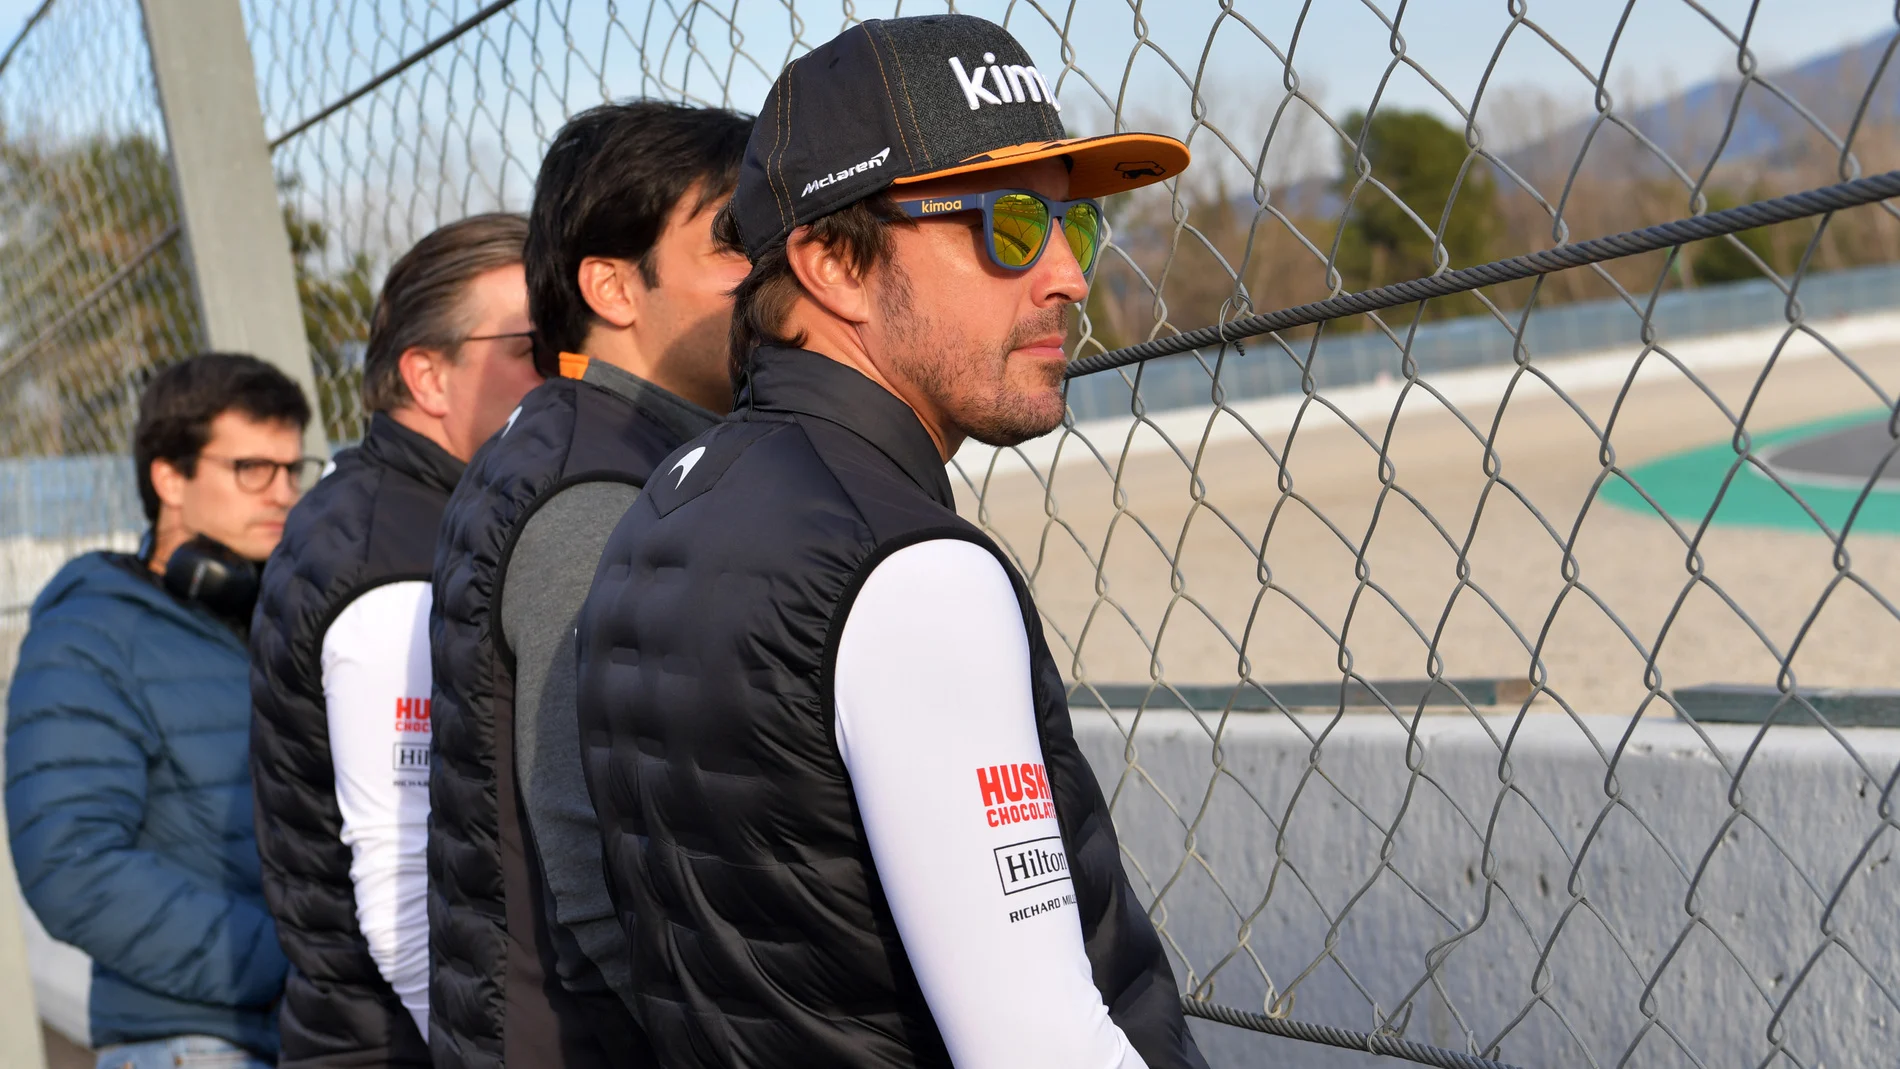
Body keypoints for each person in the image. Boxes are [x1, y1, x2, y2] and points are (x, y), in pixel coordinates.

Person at [574, 14, 1208, 1068]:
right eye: (1010, 227)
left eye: (1075, 227)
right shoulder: (909, 574)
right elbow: (1039, 1046)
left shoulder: (666, 502)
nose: (1066, 276)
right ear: (833, 262)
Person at [428, 101, 751, 1068]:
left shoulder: (578, 444)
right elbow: (600, 866)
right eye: (734, 239)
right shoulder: (599, 492)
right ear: (613, 284)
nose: (775, 267)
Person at [246, 213, 538, 1068]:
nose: (565, 366)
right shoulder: (400, 570)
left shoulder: (388, 510)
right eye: (529, 343)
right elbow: (409, 907)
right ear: (427, 376)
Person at [7, 353, 312, 1069]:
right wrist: (284, 953)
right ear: (168, 476)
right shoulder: (89, 635)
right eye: (252, 469)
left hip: (308, 1031)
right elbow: (71, 864)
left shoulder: (275, 617)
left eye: (294, 469)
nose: (283, 493)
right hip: (194, 1043)